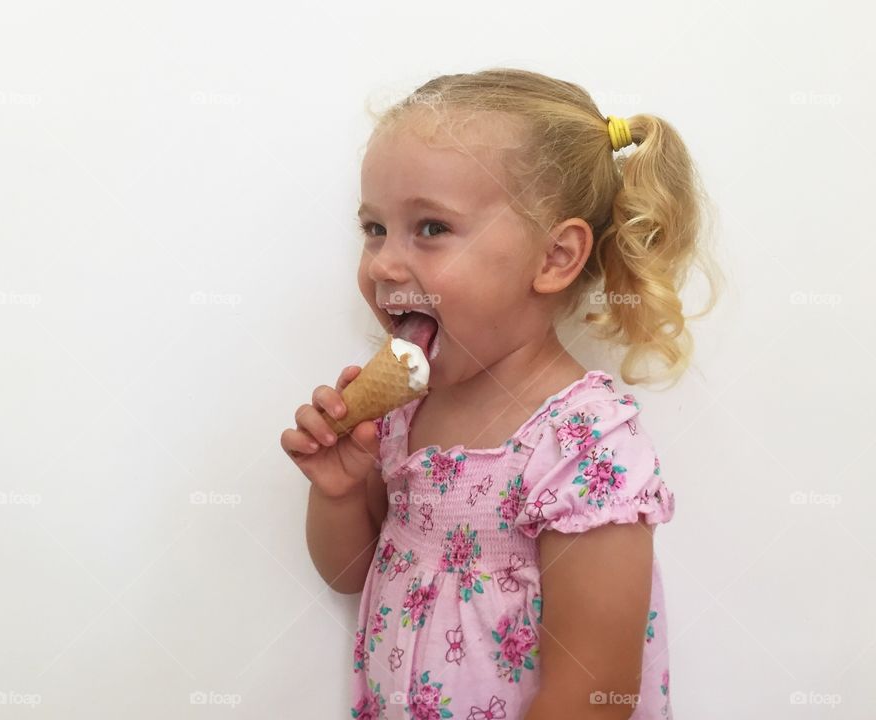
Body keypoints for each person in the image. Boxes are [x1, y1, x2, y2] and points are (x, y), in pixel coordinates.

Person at [282, 67, 722, 720]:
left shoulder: (585, 446)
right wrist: (339, 490)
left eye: (430, 228)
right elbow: (351, 574)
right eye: (374, 229)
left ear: (553, 258)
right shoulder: (405, 408)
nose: (382, 264)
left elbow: (595, 694)